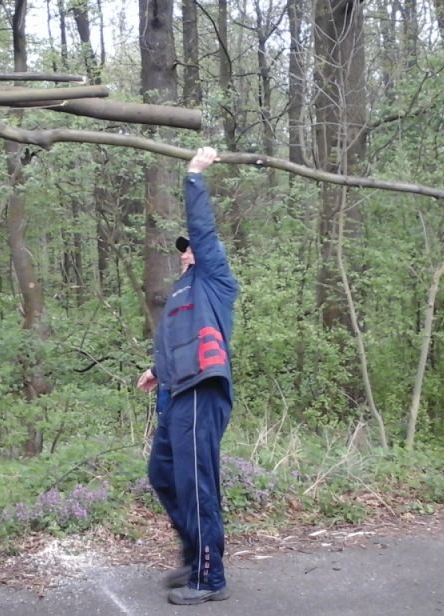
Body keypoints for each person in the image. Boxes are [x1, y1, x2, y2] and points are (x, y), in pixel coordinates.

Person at [136, 146, 239, 605]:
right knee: (162, 473)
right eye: (182, 250)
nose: (185, 253)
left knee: (196, 484)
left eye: (191, 248)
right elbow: (178, 340)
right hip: (177, 392)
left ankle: (209, 576)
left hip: (202, 390)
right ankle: (196, 554)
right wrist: (157, 370)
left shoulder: (214, 281)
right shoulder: (181, 294)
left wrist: (195, 175)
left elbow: (203, 231)